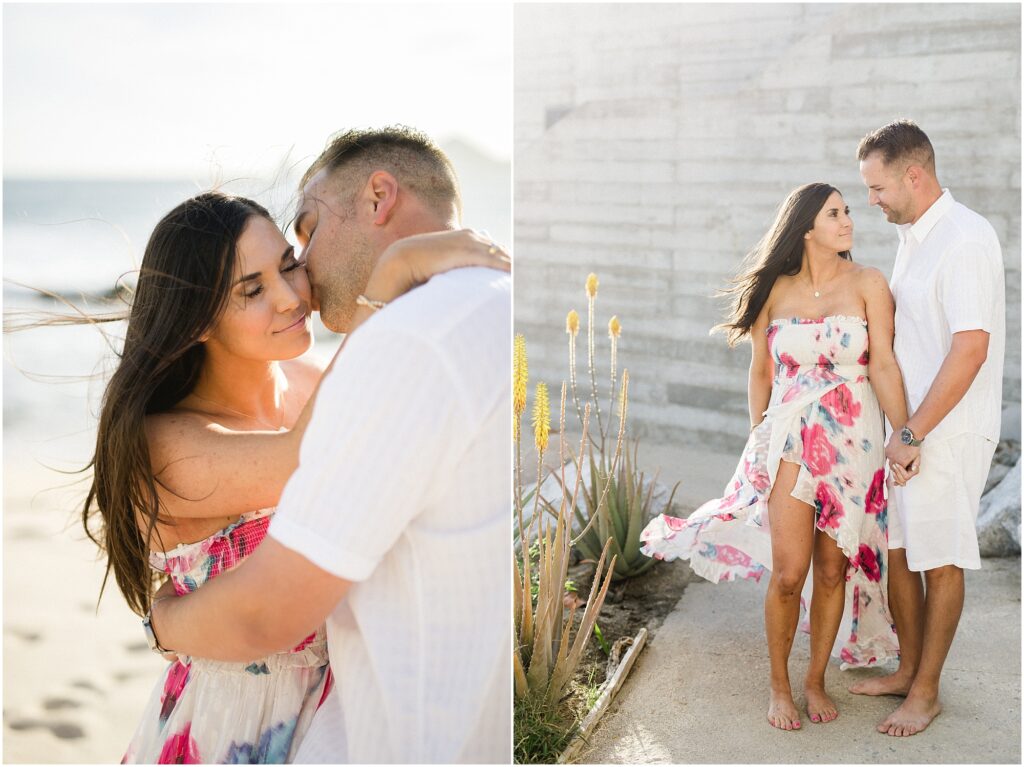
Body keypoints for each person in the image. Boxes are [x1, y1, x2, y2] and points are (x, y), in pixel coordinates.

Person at [77, 190, 506, 763]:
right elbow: (307, 455)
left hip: (349, 710)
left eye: (288, 266)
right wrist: (390, 279)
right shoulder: (162, 445)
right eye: (252, 290)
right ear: (198, 320)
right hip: (234, 726)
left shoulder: (315, 377)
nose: (290, 298)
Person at [641, 183, 912, 731]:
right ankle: (779, 685)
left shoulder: (869, 284)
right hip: (789, 439)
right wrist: (758, 442)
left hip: (853, 439)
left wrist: (904, 434)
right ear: (806, 228)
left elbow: (882, 364)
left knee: (833, 571)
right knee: (791, 571)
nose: (848, 221)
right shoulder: (776, 290)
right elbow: (761, 371)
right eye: (835, 213)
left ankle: (815, 679)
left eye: (848, 212)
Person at [850, 120, 1005, 737]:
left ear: (913, 174)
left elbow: (969, 349)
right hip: (909, 430)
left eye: (877, 186)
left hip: (946, 430)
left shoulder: (965, 238)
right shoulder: (914, 235)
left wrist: (912, 433)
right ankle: (907, 669)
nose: (872, 201)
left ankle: (928, 691)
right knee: (902, 554)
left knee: (939, 560)